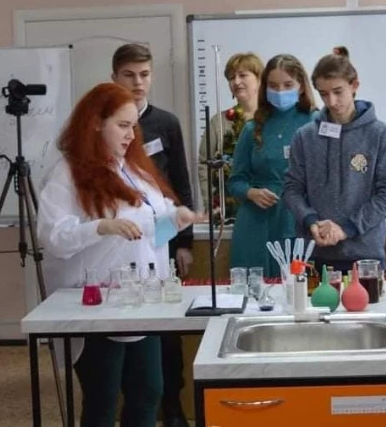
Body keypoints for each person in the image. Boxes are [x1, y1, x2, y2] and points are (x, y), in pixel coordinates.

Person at [37, 82, 202, 427]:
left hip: (143, 301)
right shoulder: (67, 173)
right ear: (96, 123)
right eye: (123, 126)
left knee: (148, 391)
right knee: (103, 398)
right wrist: (100, 227)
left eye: (134, 127)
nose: (131, 135)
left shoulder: (136, 170)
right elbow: (53, 237)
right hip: (97, 304)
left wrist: (177, 219)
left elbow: (148, 233)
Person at [111, 43, 194, 427]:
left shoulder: (166, 123)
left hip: (163, 236)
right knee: (124, 328)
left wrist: (184, 243)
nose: (137, 82)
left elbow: (180, 184)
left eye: (144, 74)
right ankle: (130, 404)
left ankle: (171, 406)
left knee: (166, 331)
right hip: (121, 242)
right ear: (115, 77)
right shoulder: (105, 123)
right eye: (129, 75)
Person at [283, 46, 386, 274]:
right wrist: (311, 221)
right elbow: (292, 189)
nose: (331, 101)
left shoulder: (378, 134)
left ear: (354, 85)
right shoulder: (305, 136)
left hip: (365, 257)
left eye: (338, 91)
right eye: (324, 94)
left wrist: (348, 228)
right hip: (314, 255)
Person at [227, 54, 316, 277]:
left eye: (288, 85)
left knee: (299, 287)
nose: (280, 91)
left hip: (299, 218)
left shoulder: (315, 122)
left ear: (301, 86)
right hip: (256, 222)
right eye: (273, 86)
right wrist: (251, 192)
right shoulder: (253, 128)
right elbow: (235, 181)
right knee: (254, 288)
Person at [197, 52, 263, 223]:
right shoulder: (218, 122)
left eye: (243, 75)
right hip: (227, 212)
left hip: (265, 207)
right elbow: (204, 165)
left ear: (259, 79)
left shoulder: (273, 120)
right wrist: (213, 205)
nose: (236, 82)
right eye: (231, 78)